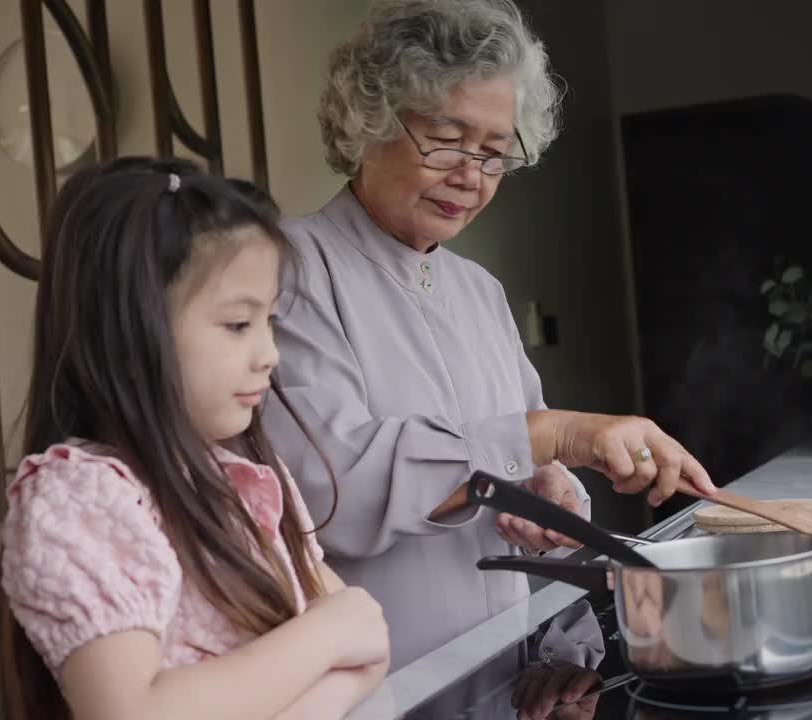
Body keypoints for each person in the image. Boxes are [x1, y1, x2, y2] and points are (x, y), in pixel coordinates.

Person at [265, 0, 716, 670]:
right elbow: (334, 490)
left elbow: (523, 457)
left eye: (495, 154)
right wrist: (556, 436)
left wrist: (548, 493)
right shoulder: (289, 270)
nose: (470, 176)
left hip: (505, 678)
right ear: (372, 120)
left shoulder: (479, 291)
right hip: (378, 689)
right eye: (447, 140)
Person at [0, 157, 389, 720]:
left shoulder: (245, 478)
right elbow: (132, 713)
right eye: (238, 325)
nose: (270, 355)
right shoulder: (79, 499)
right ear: (132, 328)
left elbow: (370, 651)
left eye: (270, 323)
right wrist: (326, 636)